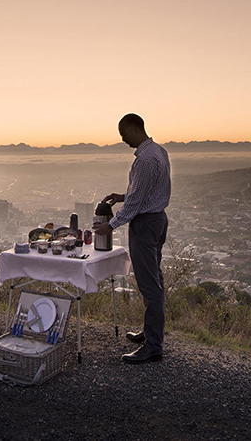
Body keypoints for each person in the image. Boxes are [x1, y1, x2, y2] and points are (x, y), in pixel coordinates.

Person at [94, 113, 171, 363]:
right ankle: (151, 334)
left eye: (124, 134)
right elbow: (148, 192)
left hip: (146, 224)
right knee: (154, 279)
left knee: (149, 284)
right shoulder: (159, 152)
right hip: (157, 220)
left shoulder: (145, 159)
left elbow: (138, 201)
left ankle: (153, 346)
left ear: (135, 129)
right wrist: (122, 196)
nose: (124, 140)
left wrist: (111, 225)